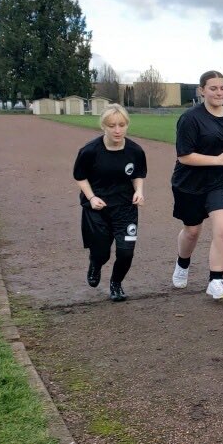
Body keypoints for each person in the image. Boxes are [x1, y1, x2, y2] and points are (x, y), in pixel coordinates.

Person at [170, 70, 223, 300]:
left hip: (220, 181)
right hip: (189, 183)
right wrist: (218, 160)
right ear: (201, 91)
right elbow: (184, 156)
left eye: (222, 88)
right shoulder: (190, 118)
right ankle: (183, 264)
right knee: (192, 232)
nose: (219, 92)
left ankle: (216, 280)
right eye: (213, 88)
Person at [72, 103, 147, 302]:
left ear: (127, 125)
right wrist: (91, 197)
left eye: (122, 125)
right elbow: (80, 176)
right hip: (98, 209)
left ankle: (116, 284)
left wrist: (139, 191)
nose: (117, 130)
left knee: (126, 252)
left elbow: (138, 174)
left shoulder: (135, 151)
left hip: (125, 208)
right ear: (103, 126)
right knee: (101, 252)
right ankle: (95, 264)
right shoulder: (90, 151)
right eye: (112, 125)